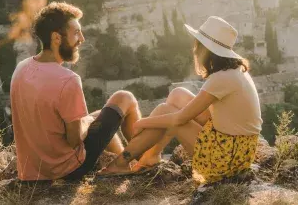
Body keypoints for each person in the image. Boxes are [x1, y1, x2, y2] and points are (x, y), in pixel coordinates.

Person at [98, 16, 263, 184]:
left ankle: (122, 162)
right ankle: (150, 157)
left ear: (205, 49)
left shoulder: (222, 78)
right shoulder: (234, 71)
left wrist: (142, 123)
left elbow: (179, 119)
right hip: (238, 150)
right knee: (178, 94)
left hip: (225, 161)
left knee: (166, 111)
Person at [10, 2, 142, 181]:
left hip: (32, 172)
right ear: (57, 38)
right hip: (66, 170)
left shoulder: (21, 68)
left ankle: (123, 164)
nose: (82, 39)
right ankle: (144, 162)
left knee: (96, 116)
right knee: (124, 98)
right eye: (76, 32)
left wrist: (87, 119)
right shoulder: (68, 80)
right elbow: (74, 140)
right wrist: (86, 121)